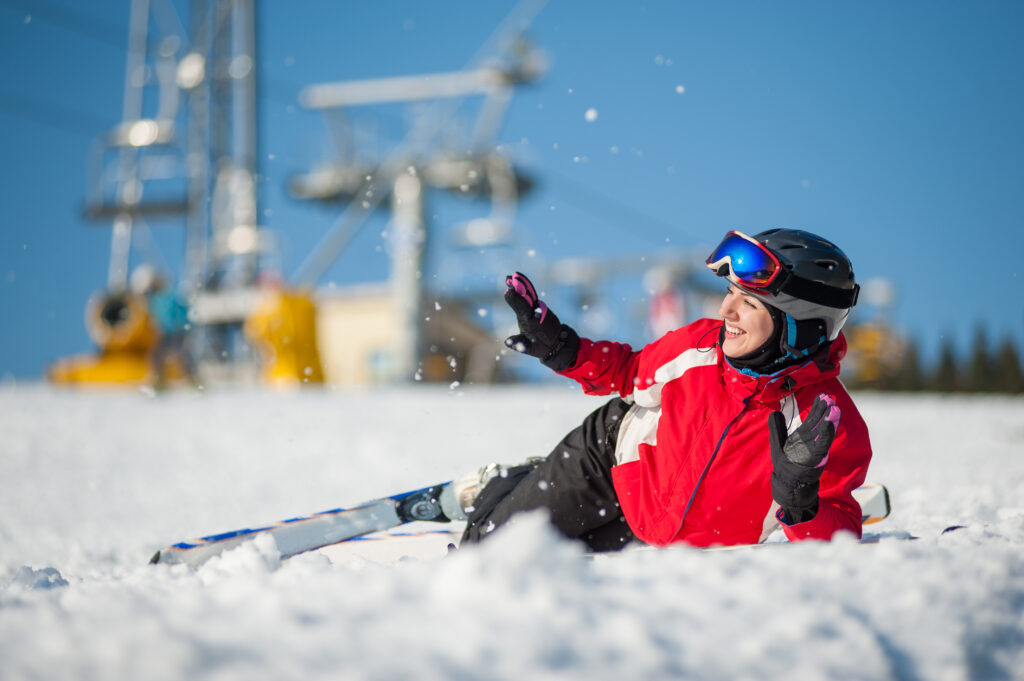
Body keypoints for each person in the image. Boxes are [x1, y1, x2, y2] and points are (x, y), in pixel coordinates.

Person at [445, 228, 872, 551]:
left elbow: (838, 539)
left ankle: (527, 480)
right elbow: (629, 372)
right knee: (495, 552)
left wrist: (801, 503)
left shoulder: (826, 421)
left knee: (563, 565)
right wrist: (562, 348)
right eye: (729, 292)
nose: (726, 309)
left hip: (660, 538)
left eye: (749, 302)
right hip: (608, 468)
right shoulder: (700, 348)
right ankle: (505, 490)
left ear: (800, 329)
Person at [130, 265, 197, 390]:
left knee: (180, 355)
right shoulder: (154, 300)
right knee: (157, 355)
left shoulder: (168, 296)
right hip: (165, 332)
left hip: (176, 331)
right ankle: (159, 382)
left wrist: (183, 325)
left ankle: (193, 381)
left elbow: (180, 311)